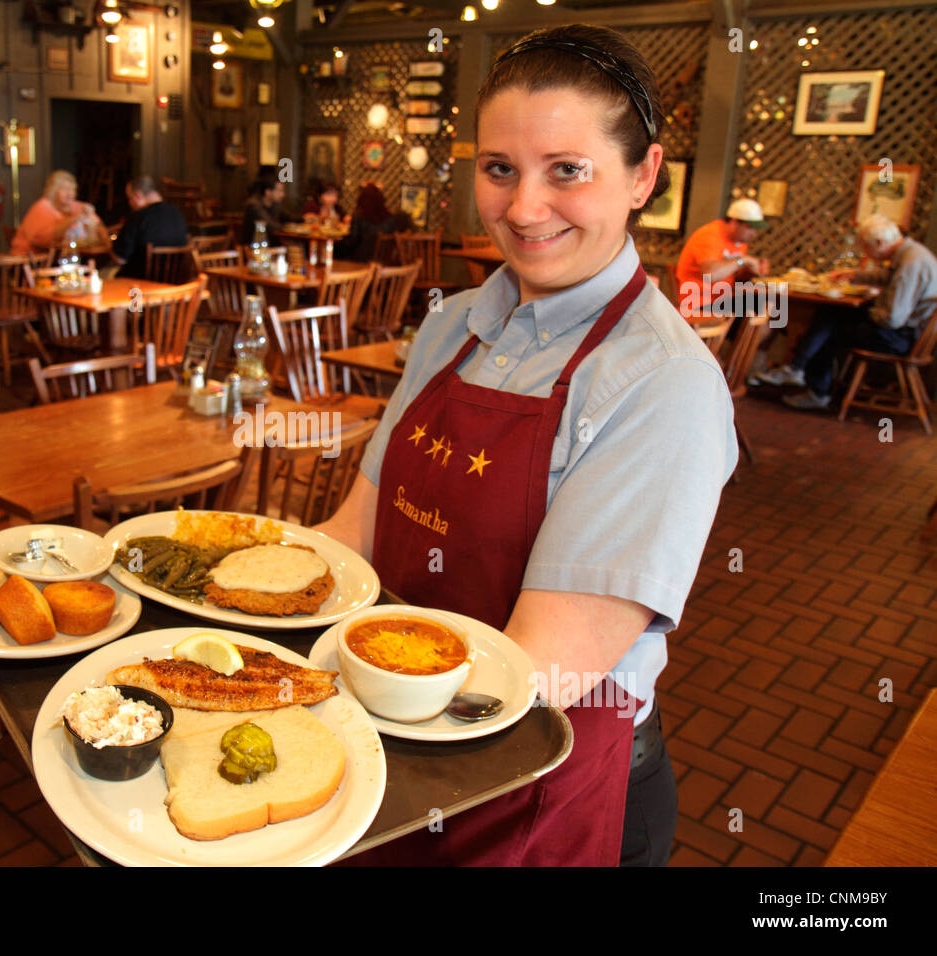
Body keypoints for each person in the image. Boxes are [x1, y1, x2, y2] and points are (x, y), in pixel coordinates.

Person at [316, 23, 737, 866]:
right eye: (499, 169)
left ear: (643, 175)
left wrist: (315, 709)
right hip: (399, 742)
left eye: (567, 171)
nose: (523, 208)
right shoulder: (451, 325)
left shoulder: (663, 385)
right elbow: (354, 535)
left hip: (542, 780)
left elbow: (534, 678)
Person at [758, 214, 937, 410]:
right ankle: (797, 367)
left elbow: (892, 318)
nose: (865, 252)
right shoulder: (911, 253)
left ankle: (816, 389)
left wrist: (869, 310)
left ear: (879, 242)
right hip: (907, 332)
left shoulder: (910, 265)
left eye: (866, 246)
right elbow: (886, 277)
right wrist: (853, 276)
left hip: (901, 338)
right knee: (832, 313)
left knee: (832, 330)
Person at [674, 198, 771, 319]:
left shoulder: (740, 243)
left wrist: (752, 271)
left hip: (722, 299)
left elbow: (735, 276)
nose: (754, 233)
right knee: (760, 305)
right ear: (734, 222)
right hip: (698, 303)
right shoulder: (709, 235)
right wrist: (743, 260)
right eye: (749, 227)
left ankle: (746, 337)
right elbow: (710, 275)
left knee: (767, 304)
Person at [110, 174, 189, 280]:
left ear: (138, 196)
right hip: (176, 286)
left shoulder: (138, 217)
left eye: (130, 198)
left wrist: (105, 239)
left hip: (139, 286)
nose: (129, 203)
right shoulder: (176, 212)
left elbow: (119, 259)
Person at [10, 171, 107, 257]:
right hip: (31, 260)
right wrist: (72, 220)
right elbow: (41, 239)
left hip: (62, 256)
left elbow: (100, 229)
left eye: (72, 189)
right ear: (53, 190)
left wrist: (91, 218)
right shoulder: (42, 207)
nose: (69, 193)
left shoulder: (78, 207)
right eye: (64, 189)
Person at [333, 183, 412, 262]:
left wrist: (335, 247)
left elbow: (351, 243)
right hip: (383, 262)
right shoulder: (391, 219)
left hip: (360, 262)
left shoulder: (359, 217)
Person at [240, 174, 299, 245]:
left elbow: (288, 216)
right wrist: (291, 227)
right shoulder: (254, 205)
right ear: (268, 192)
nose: (283, 195)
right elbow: (270, 226)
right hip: (255, 247)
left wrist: (304, 219)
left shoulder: (275, 204)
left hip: (271, 245)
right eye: (279, 191)